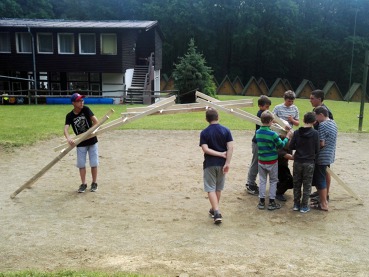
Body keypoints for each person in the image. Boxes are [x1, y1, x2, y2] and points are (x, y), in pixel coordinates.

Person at [199, 109, 234, 224]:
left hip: (209, 164)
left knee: (210, 188)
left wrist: (218, 154)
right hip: (222, 164)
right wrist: (227, 162)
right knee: (218, 188)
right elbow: (230, 148)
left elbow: (205, 149)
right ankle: (214, 209)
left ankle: (216, 211)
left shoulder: (204, 132)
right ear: (218, 117)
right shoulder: (226, 130)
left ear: (206, 119)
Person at [255, 110, 292, 210]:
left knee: (262, 181)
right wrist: (287, 137)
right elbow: (281, 145)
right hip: (272, 161)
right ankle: (271, 202)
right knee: (273, 181)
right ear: (271, 121)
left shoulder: (258, 132)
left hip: (261, 160)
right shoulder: (273, 134)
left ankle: (261, 202)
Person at [64, 93, 99, 193]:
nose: (81, 102)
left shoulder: (86, 109)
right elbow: (66, 129)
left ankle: (94, 183)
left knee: (94, 163)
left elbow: (96, 122)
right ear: (73, 103)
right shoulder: (69, 116)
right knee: (81, 164)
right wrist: (68, 138)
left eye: (82, 100)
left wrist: (89, 132)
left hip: (92, 140)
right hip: (80, 143)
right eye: (79, 101)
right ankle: (83, 184)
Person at [289, 112, 320, 213]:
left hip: (298, 161)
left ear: (303, 120)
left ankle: (296, 204)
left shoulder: (297, 132)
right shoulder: (315, 133)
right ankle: (304, 206)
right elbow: (317, 149)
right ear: (314, 122)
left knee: (297, 183)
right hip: (309, 162)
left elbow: (291, 146)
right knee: (307, 185)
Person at [311, 106, 337, 211]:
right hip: (330, 155)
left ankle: (323, 204)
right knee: (323, 178)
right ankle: (323, 201)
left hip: (322, 156)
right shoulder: (333, 123)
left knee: (320, 180)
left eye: (316, 117)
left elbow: (321, 143)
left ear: (321, 115)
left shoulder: (322, 125)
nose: (315, 119)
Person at [309, 89, 334, 200]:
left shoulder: (326, 112)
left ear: (319, 99)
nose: (310, 101)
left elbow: (328, 131)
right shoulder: (316, 110)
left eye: (312, 99)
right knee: (320, 172)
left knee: (325, 171)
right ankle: (320, 192)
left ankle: (325, 194)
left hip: (324, 149)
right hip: (319, 146)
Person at [245, 95, 271, 196]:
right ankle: (250, 184)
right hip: (257, 142)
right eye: (266, 107)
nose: (268, 109)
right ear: (260, 106)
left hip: (260, 142)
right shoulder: (261, 114)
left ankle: (252, 183)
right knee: (255, 163)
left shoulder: (263, 113)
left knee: (257, 163)